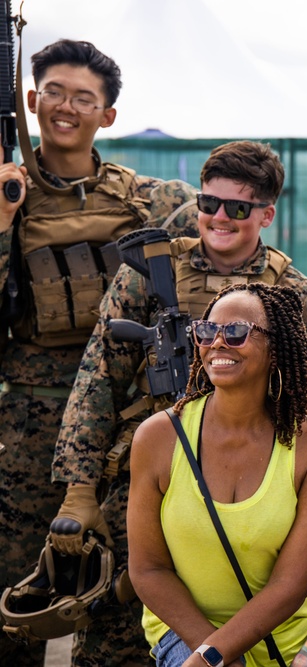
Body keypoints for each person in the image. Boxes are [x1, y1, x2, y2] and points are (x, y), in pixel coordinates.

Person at [48, 140, 307, 667]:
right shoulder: (148, 270)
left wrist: (266, 369)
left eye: (237, 208)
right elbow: (98, 375)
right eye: (208, 204)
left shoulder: (292, 291)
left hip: (251, 469)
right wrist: (79, 487)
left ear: (266, 214)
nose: (218, 217)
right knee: (112, 638)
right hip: (150, 471)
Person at [0, 39, 198, 666]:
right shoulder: (9, 194)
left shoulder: (150, 200)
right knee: (15, 598)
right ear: (31, 102)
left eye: (83, 98)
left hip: (124, 428)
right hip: (30, 426)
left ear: (106, 115)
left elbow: (225, 233)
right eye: (53, 93)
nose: (65, 107)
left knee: (122, 600)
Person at [128, 282, 307, 667]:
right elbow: (148, 569)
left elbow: (289, 584)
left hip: (292, 640)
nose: (218, 343)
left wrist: (218, 652)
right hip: (187, 630)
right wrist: (211, 654)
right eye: (207, 331)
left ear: (275, 347)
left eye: (237, 332)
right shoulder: (157, 438)